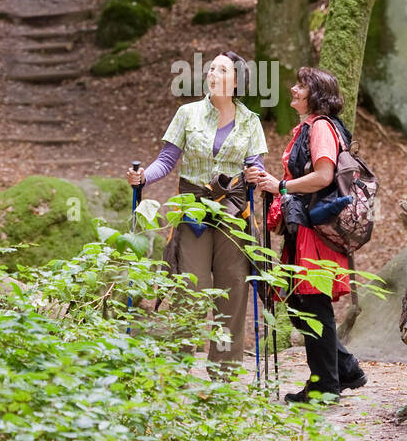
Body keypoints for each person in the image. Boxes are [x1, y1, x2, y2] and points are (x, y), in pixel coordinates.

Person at [127, 51, 267, 375]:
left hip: (233, 211)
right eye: (211, 68)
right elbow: (167, 159)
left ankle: (224, 373)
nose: (212, 73)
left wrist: (255, 176)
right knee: (192, 285)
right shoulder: (187, 114)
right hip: (193, 209)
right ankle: (179, 368)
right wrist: (144, 176)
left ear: (236, 81)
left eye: (221, 69)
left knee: (233, 286)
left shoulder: (251, 121)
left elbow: (255, 165)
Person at [244, 66, 366, 404]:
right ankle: (345, 369)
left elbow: (324, 176)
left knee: (312, 303)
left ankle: (325, 385)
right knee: (300, 303)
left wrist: (280, 185)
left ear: (316, 95)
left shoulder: (322, 128)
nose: (294, 90)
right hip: (307, 226)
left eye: (301, 86)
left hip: (316, 229)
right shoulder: (310, 127)